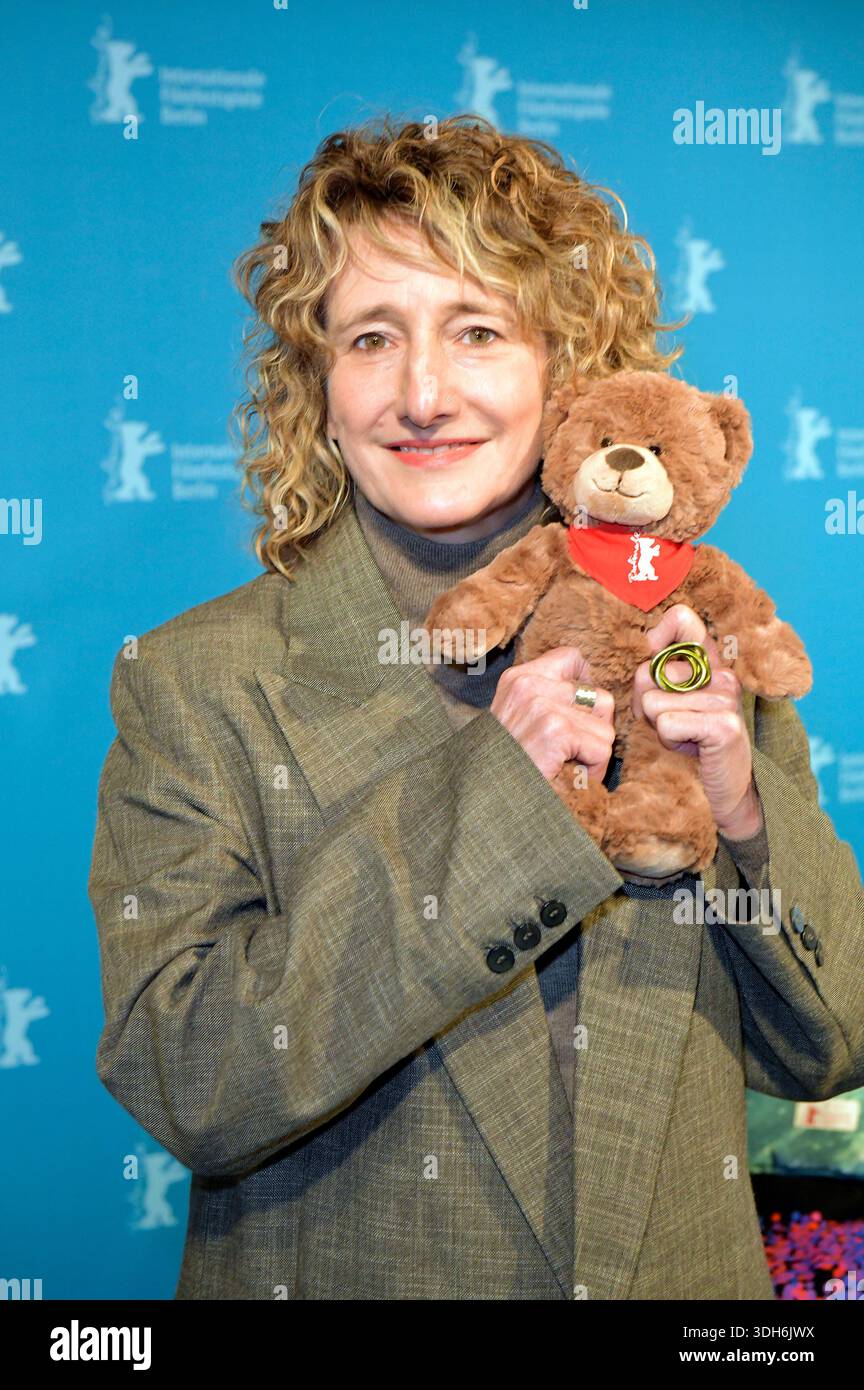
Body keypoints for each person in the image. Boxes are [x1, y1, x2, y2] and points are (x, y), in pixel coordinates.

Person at [88, 114, 864, 1301]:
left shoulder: (685, 633)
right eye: (371, 338)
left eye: (479, 331)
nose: (423, 392)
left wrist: (745, 811)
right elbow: (190, 1077)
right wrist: (496, 802)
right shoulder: (199, 679)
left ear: (568, 364)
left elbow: (834, 1037)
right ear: (319, 387)